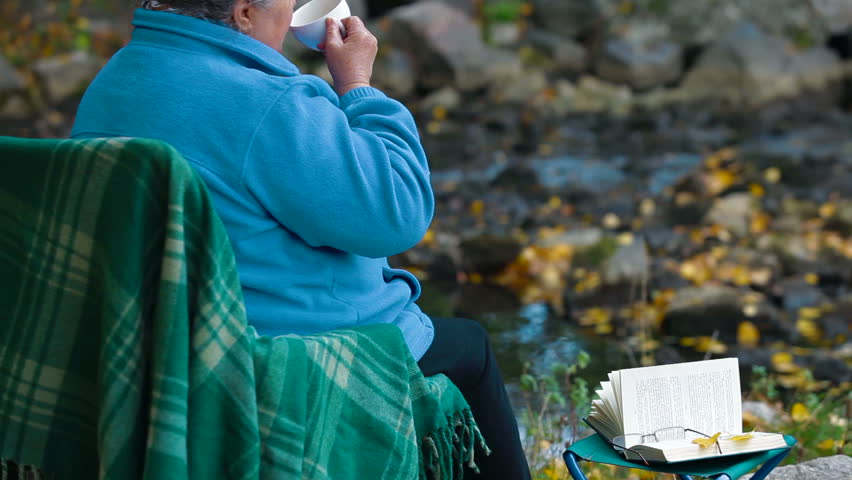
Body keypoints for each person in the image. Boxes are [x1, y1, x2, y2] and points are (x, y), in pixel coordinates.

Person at [71, 1, 531, 478]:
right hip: (271, 354)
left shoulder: (114, 81)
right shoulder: (266, 103)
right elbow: (399, 212)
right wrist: (358, 86)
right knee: (470, 347)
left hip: (158, 346)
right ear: (245, 12)